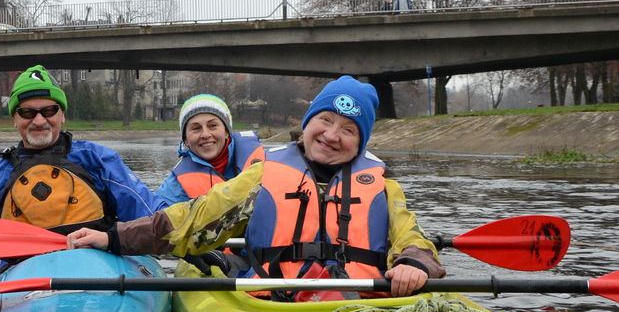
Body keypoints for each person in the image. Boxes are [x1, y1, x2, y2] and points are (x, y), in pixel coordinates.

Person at [67, 75, 444, 298]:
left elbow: (412, 237)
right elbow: (193, 220)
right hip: (278, 300)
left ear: (361, 142)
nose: (332, 136)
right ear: (308, 121)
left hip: (360, 301)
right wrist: (112, 237)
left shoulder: (383, 187)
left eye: (348, 130)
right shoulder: (265, 175)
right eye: (325, 121)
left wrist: (415, 263)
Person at [0, 64, 165, 233]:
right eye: (27, 113)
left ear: (63, 115)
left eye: (49, 110)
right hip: (23, 278)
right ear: (14, 118)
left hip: (95, 272)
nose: (40, 121)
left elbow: (151, 214)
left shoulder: (97, 160)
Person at [157, 93, 264, 205]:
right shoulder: (172, 189)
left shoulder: (266, 162)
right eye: (196, 128)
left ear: (227, 132)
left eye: (212, 126)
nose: (205, 134)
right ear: (186, 140)